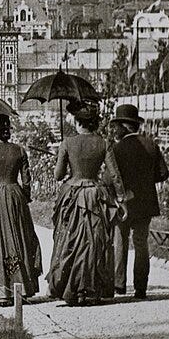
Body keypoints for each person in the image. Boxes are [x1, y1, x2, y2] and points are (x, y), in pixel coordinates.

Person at [46, 102, 117, 306]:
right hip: (95, 195)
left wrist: (68, 164)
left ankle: (70, 288)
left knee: (69, 239)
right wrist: (120, 198)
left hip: (73, 195)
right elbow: (114, 175)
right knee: (94, 241)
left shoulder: (67, 142)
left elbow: (58, 175)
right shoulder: (103, 143)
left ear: (77, 122)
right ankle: (91, 289)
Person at [0, 113, 43, 305]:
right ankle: (21, 288)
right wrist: (24, 197)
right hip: (15, 195)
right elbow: (27, 180)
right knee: (20, 237)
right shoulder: (19, 150)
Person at [106, 103, 169, 300]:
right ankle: (141, 287)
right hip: (146, 202)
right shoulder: (151, 145)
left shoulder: (117, 148)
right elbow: (163, 173)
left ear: (125, 126)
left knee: (120, 242)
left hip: (124, 202)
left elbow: (109, 179)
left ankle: (120, 285)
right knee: (141, 244)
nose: (115, 129)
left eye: (117, 125)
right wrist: (146, 183)